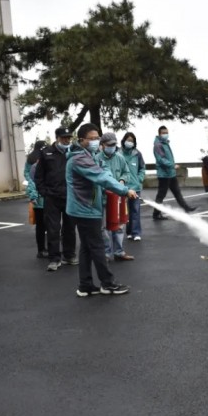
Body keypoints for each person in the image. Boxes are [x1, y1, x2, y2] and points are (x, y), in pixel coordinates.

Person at [65, 123, 137, 297]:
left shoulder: (90, 155)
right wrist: (124, 190)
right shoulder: (79, 159)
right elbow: (100, 176)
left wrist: (118, 184)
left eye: (97, 138)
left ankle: (85, 285)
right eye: (92, 138)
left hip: (85, 208)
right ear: (81, 140)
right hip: (85, 209)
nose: (96, 141)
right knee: (97, 246)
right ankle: (108, 284)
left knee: (87, 248)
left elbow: (103, 170)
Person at [34, 126, 77, 272]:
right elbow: (38, 176)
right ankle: (54, 258)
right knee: (53, 229)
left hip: (70, 196)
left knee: (70, 228)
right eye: (64, 138)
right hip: (52, 197)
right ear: (57, 138)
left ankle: (69, 255)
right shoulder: (46, 153)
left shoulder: (74, 152)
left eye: (68, 138)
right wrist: (44, 192)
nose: (67, 140)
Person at [97, 132, 134, 261]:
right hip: (103, 198)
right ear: (102, 145)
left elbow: (126, 172)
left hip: (119, 198)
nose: (112, 147)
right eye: (109, 145)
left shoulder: (120, 158)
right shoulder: (97, 159)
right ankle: (106, 253)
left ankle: (119, 251)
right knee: (103, 227)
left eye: (114, 145)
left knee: (119, 225)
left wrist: (122, 181)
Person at [152, 126, 197, 220]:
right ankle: (156, 214)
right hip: (164, 175)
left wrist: (172, 167)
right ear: (159, 133)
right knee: (161, 195)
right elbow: (161, 160)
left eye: (166, 132)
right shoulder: (158, 145)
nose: (165, 134)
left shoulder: (165, 143)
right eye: (163, 133)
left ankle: (186, 208)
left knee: (177, 192)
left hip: (171, 173)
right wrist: (172, 165)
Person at [24, 140, 48, 258]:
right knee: (44, 225)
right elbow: (31, 179)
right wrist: (33, 194)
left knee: (42, 226)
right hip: (41, 198)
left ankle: (43, 249)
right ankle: (43, 249)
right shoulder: (36, 164)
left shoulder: (32, 160)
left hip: (41, 198)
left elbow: (27, 176)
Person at [121, 131, 145, 241]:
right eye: (128, 140)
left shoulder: (137, 154)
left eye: (132, 141)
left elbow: (142, 168)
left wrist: (139, 179)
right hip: (123, 187)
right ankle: (129, 231)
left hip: (135, 187)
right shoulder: (119, 154)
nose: (129, 142)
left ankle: (136, 233)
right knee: (125, 211)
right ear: (123, 141)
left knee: (135, 210)